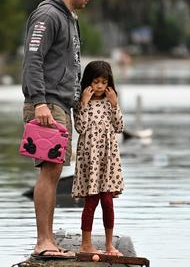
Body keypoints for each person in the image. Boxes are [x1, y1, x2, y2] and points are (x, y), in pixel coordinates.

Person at [22, 0, 94, 259]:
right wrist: (39, 101)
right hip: (47, 105)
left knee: (54, 172)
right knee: (49, 173)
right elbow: (33, 59)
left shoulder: (68, 18)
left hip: (59, 105)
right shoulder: (48, 15)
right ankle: (43, 242)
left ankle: (48, 240)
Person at [72, 60, 125, 256]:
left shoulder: (111, 102)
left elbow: (119, 127)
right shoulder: (81, 103)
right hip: (90, 159)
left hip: (108, 159)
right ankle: (86, 244)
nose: (100, 86)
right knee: (91, 201)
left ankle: (110, 245)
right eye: (96, 82)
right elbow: (80, 127)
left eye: (104, 82)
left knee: (108, 201)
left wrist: (115, 105)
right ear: (88, 82)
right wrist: (84, 103)